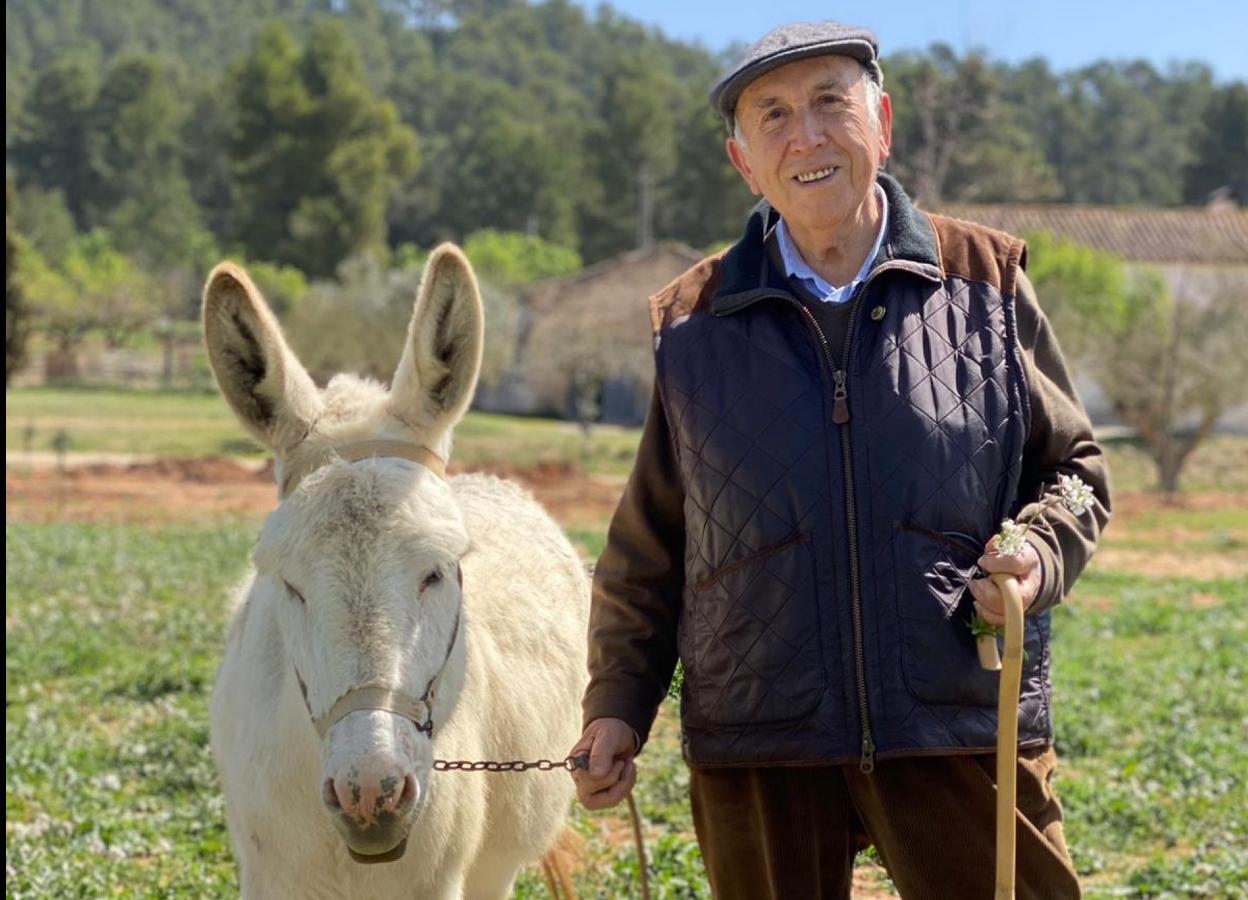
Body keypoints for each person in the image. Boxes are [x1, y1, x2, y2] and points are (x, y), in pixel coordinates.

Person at [568, 20, 1110, 900]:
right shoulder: (693, 326)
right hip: (761, 738)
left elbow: (1076, 467)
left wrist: (1040, 553)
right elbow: (651, 549)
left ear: (882, 122)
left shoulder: (987, 281)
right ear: (745, 161)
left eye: (831, 103)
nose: (807, 136)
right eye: (773, 116)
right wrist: (617, 707)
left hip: (955, 719)